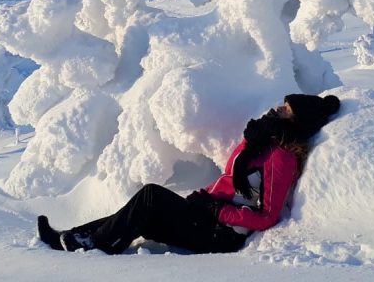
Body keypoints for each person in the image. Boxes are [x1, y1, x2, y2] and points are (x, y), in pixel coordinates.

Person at [37, 93, 341, 254]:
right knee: (143, 212)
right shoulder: (262, 145)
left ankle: (93, 245)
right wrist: (252, 138)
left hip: (221, 235)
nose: (278, 109)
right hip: (209, 215)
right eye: (282, 104)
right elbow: (231, 177)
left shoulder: (282, 158)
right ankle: (72, 237)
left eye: (286, 109)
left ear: (296, 122)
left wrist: (217, 210)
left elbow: (267, 216)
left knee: (150, 197)